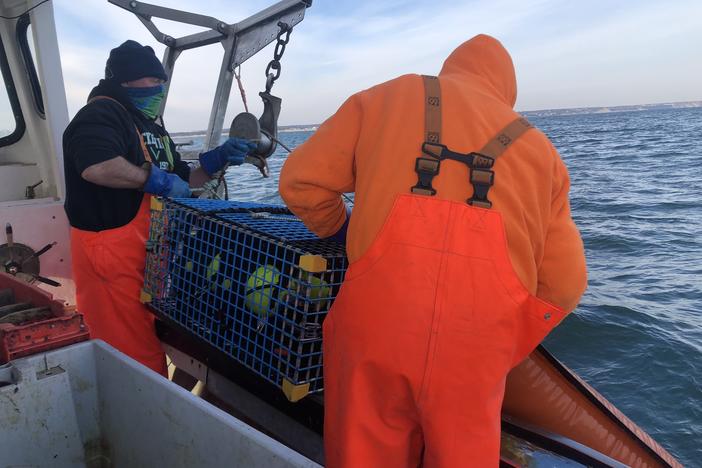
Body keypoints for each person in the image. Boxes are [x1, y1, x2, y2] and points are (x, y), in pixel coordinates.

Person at [279, 34, 587, 466]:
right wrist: (504, 342)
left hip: (374, 328)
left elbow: (300, 182)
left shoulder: (383, 99)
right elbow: (566, 284)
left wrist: (342, 232)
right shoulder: (542, 154)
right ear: (506, 90)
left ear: (451, 69)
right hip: (475, 353)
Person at [63, 40, 254, 376]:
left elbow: (187, 179)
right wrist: (156, 181)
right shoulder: (101, 113)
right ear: (124, 81)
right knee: (132, 362)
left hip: (151, 259)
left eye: (160, 82)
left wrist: (216, 160)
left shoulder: (153, 127)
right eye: (149, 82)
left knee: (152, 341)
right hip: (111, 258)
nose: (158, 89)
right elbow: (95, 165)